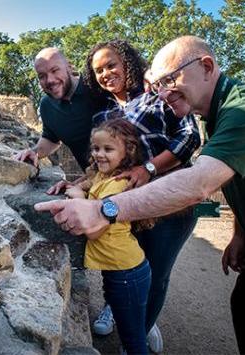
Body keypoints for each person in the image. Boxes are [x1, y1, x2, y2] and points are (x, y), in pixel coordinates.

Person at [35, 35, 245, 354]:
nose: (163, 91)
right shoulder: (216, 116)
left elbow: (199, 183)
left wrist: (103, 210)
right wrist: (241, 234)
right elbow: (242, 179)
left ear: (206, 66)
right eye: (159, 82)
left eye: (170, 79)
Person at [84, 40, 201, 353]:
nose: (106, 73)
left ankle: (142, 328)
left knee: (157, 272)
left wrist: (148, 168)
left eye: (111, 65)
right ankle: (118, 310)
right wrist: (79, 185)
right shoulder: (103, 114)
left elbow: (190, 137)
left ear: (127, 64)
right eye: (98, 70)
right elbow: (100, 162)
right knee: (122, 263)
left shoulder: (158, 96)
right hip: (126, 206)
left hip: (171, 205)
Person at [65, 118, 152, 354]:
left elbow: (95, 230)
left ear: (128, 152)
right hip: (120, 270)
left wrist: (76, 197)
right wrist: (72, 185)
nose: (99, 154)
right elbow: (91, 183)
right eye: (96, 148)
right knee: (131, 332)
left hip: (127, 273)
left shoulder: (117, 185)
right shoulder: (105, 176)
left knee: (133, 341)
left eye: (108, 149)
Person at [14, 47, 105, 175]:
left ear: (69, 66)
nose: (50, 80)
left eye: (55, 70)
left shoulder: (97, 87)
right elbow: (51, 139)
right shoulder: (46, 105)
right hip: (95, 180)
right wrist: (34, 152)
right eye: (42, 76)